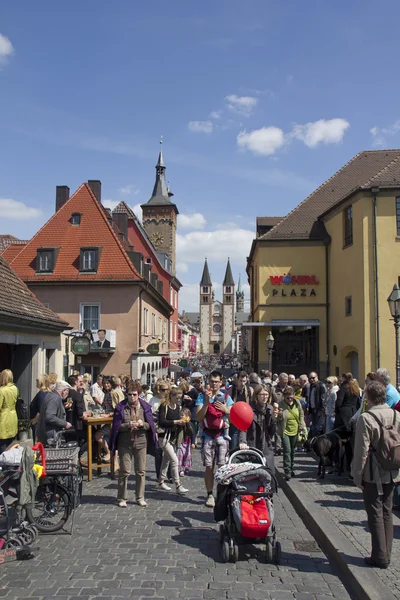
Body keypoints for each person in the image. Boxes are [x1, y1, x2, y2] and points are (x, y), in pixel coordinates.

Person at [351, 381, 400, 569]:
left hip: (373, 471)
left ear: (369, 397)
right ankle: (386, 554)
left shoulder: (367, 417)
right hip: (393, 469)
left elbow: (361, 449)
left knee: (375, 514)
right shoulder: (396, 414)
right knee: (387, 512)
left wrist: (357, 474)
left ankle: (379, 556)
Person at [110, 382, 157, 508]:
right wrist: (127, 425)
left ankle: (140, 497)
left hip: (141, 441)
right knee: (125, 470)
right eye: (129, 394)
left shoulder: (145, 407)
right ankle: (122, 497)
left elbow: (151, 425)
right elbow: (116, 427)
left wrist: (142, 424)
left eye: (134, 394)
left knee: (141, 471)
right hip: (125, 443)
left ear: (139, 394)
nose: (132, 397)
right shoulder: (121, 407)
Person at [196, 370, 233, 507]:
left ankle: (221, 494)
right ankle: (210, 494)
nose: (214, 384)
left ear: (221, 382)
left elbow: (233, 416)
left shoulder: (226, 397)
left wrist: (225, 409)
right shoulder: (202, 396)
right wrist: (206, 402)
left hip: (222, 435)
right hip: (207, 435)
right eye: (212, 381)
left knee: (222, 466)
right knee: (209, 466)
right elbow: (199, 417)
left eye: (216, 381)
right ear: (208, 382)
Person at [157, 387, 189, 495]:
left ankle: (161, 482)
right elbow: (162, 422)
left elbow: (178, 421)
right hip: (163, 437)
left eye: (180, 398)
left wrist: (183, 422)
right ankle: (178, 485)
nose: (179, 400)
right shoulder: (164, 406)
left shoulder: (178, 407)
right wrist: (176, 422)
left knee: (166, 460)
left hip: (172, 438)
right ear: (171, 396)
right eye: (177, 398)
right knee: (174, 460)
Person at [239, 384, 277, 472]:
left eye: (266, 394)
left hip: (266, 445)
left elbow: (272, 432)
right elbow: (243, 428)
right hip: (252, 444)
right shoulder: (249, 409)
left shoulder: (270, 409)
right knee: (253, 473)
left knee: (270, 473)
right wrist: (242, 442)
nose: (265, 397)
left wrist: (274, 420)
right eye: (262, 394)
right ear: (256, 395)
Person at [278, 386, 306, 481]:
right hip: (285, 430)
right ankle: (287, 471)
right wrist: (280, 415)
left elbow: (301, 414)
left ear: (294, 396)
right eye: (287, 398)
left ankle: (291, 467)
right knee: (287, 451)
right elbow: (278, 419)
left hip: (295, 430)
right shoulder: (280, 405)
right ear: (284, 397)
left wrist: (301, 424)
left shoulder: (297, 403)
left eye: (291, 397)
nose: (290, 399)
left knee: (293, 451)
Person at [335, 372, 360, 472]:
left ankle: (340, 465)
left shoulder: (344, 388)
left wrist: (337, 412)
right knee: (351, 442)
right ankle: (349, 465)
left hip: (343, 416)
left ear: (345, 378)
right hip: (353, 414)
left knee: (340, 442)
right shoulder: (355, 388)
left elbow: (339, 403)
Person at [36, 380, 72, 445]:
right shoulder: (55, 398)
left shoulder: (51, 395)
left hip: (46, 433)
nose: (68, 394)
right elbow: (49, 416)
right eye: (67, 391)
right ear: (63, 391)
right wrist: (65, 424)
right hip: (51, 435)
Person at [0, 369, 19, 454]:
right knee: (10, 443)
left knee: (2, 444)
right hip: (13, 417)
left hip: (3, 418)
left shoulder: (2, 390)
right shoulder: (15, 388)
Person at [30, 374, 50, 441]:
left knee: (38, 445)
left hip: (39, 425)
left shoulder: (41, 394)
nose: (36, 382)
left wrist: (34, 421)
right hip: (44, 424)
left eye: (37, 380)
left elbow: (41, 410)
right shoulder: (49, 393)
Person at [67, 375, 86, 444]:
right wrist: (85, 414)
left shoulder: (67, 394)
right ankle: (80, 453)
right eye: (78, 381)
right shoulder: (77, 395)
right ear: (75, 382)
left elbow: (69, 407)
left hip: (68, 422)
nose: (80, 383)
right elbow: (80, 413)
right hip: (77, 425)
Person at [176, 408, 196, 477]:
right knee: (180, 456)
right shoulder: (178, 424)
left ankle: (186, 466)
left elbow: (193, 434)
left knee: (187, 456)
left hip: (187, 442)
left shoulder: (190, 424)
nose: (181, 417)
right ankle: (181, 469)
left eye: (183, 415)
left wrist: (193, 442)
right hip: (180, 442)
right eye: (180, 415)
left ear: (188, 417)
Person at [307, 372, 326, 437]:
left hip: (319, 411)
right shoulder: (311, 386)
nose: (311, 379)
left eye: (313, 378)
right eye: (310, 378)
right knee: (314, 428)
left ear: (317, 377)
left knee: (318, 429)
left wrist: (321, 410)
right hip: (313, 410)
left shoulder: (321, 385)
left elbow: (323, 399)